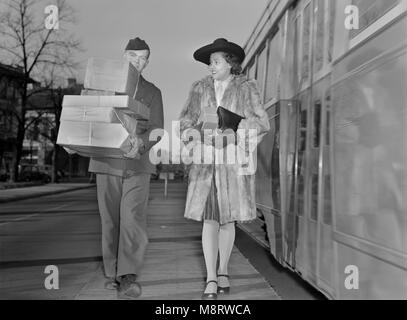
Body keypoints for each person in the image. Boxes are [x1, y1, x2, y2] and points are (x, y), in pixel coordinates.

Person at [178, 38, 270, 300]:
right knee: (209, 219)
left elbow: (261, 122)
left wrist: (234, 134)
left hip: (231, 161)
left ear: (230, 62)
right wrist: (194, 133)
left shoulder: (247, 87)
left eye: (216, 61)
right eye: (210, 62)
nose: (211, 66)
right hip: (206, 162)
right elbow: (185, 120)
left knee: (228, 219)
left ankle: (223, 270)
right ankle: (210, 277)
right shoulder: (199, 88)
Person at [88, 37, 164, 299]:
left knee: (132, 219)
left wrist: (141, 144)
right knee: (110, 220)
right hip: (105, 162)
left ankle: (128, 276)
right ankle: (112, 272)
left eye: (143, 58)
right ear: (124, 55)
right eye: (133, 55)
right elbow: (87, 117)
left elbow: (157, 130)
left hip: (138, 164)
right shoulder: (102, 87)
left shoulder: (153, 92)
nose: (138, 61)